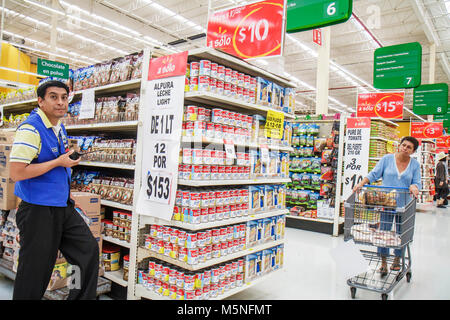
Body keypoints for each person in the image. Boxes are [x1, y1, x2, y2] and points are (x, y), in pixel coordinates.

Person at [9, 80, 99, 300]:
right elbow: (17, 173)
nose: (60, 102)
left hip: (62, 207)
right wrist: (58, 162)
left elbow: (59, 167)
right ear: (40, 101)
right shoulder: (31, 128)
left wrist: (67, 195)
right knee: (35, 271)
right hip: (38, 211)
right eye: (53, 97)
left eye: (64, 97)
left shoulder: (58, 127)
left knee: (86, 251)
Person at [353, 136, 421, 276]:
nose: (405, 148)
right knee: (383, 232)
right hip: (387, 203)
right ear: (399, 145)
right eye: (404, 145)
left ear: (413, 151)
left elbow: (417, 182)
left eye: (409, 147)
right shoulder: (387, 159)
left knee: (401, 233)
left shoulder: (414, 165)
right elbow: (373, 174)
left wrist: (414, 187)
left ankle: (397, 259)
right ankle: (383, 262)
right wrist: (361, 183)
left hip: (405, 204)